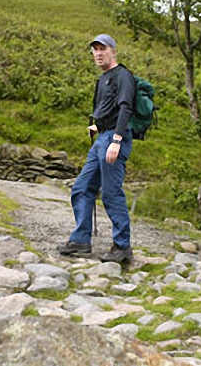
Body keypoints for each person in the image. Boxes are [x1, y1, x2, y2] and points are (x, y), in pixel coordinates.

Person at [57, 34, 135, 263]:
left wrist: (117, 140)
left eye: (103, 48)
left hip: (114, 139)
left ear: (113, 51)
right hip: (102, 137)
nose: (99, 53)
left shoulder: (123, 75)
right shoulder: (103, 79)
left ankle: (122, 246)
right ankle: (81, 240)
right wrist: (96, 125)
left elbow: (125, 108)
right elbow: (107, 108)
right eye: (95, 49)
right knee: (81, 188)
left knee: (111, 193)